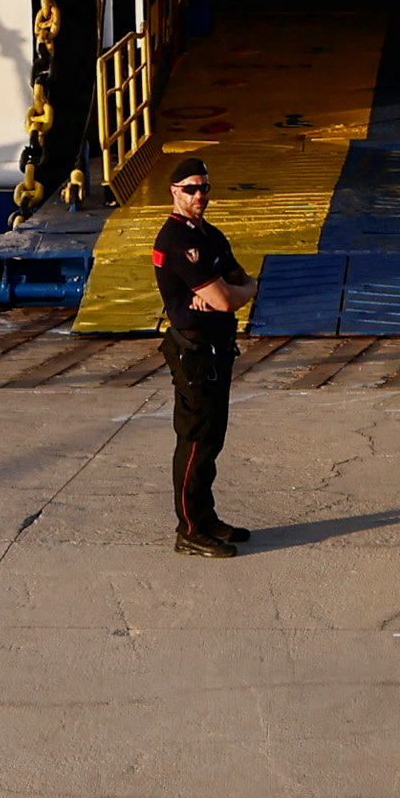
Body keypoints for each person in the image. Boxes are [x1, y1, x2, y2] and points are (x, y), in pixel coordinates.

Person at [145, 160, 251, 556]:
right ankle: (189, 529)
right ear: (174, 191)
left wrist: (237, 291)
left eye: (204, 187)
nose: (200, 195)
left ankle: (205, 518)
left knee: (212, 438)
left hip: (216, 349)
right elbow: (226, 298)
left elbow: (240, 280)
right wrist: (233, 294)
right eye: (191, 188)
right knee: (194, 440)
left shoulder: (209, 235)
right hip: (194, 353)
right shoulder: (177, 241)